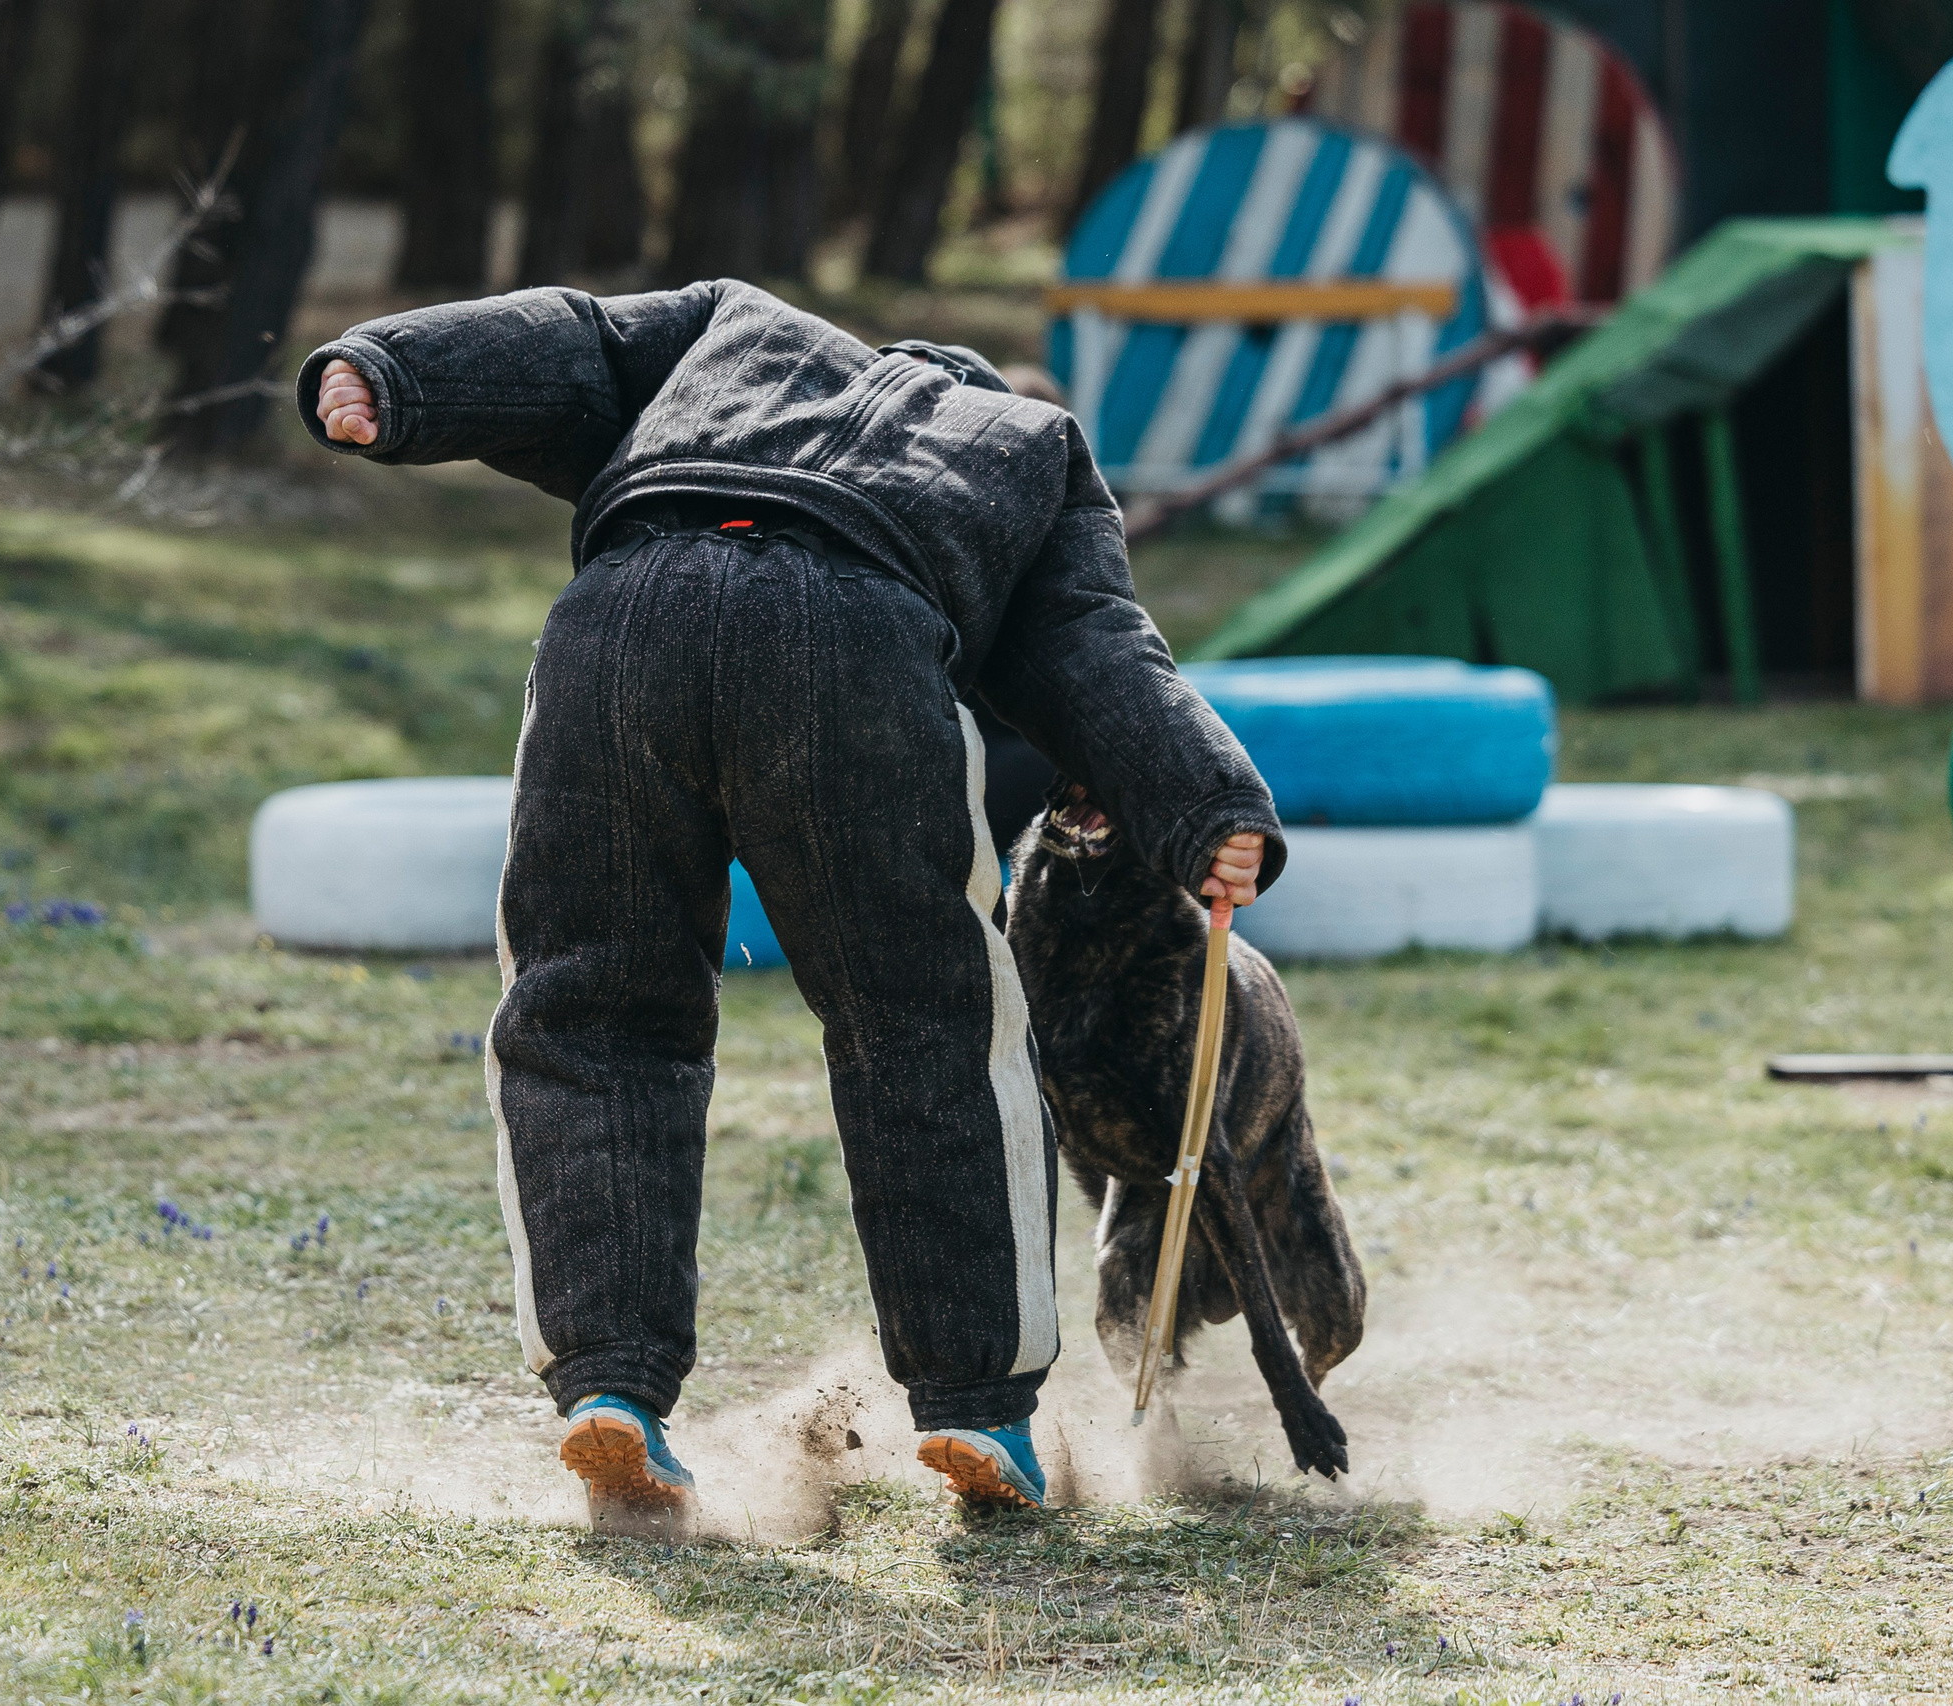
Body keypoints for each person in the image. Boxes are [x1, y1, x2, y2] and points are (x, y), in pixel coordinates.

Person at [300, 281, 1282, 1512]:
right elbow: (1097, 642)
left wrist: (392, 373)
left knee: (589, 1009)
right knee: (922, 1025)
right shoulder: (1031, 444)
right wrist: (1209, 810)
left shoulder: (733, 331)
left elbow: (574, 339)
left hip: (621, 615)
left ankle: (612, 1385)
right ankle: (981, 1412)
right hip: (853, 640)